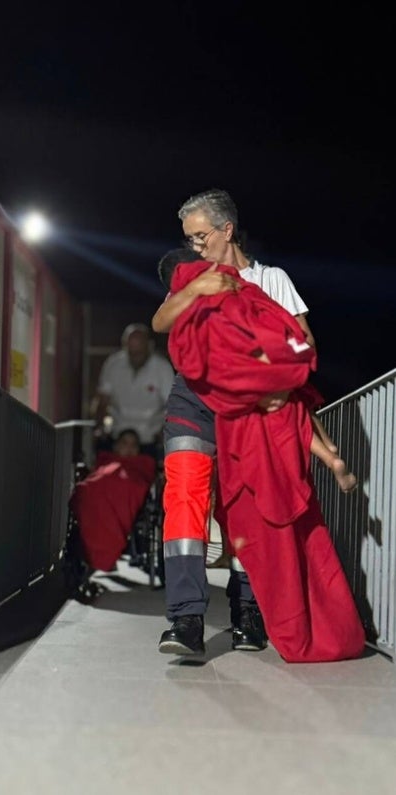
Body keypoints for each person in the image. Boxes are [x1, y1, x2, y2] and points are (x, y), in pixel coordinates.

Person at [153, 188, 352, 657]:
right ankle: (185, 620)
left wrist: (282, 383)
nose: (195, 245)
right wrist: (196, 290)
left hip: (251, 410)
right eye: (189, 238)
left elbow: (303, 342)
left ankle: (247, 613)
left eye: (201, 236)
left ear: (226, 229)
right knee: (184, 498)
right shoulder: (192, 276)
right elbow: (161, 321)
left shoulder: (273, 279)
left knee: (245, 508)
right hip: (193, 399)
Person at [69, 428, 157, 574]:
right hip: (100, 485)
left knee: (120, 486)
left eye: (133, 445)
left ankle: (104, 551)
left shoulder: (143, 463)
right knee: (86, 489)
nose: (129, 448)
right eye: (125, 443)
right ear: (116, 446)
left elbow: (142, 482)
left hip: (128, 486)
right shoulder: (106, 459)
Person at [91, 323, 175, 458]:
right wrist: (98, 427)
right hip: (118, 435)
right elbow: (102, 399)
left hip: (150, 438)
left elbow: (172, 405)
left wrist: (163, 432)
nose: (135, 356)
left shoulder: (162, 368)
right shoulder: (113, 364)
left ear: (149, 346)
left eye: (139, 352)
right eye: (131, 351)